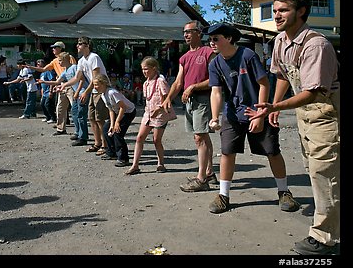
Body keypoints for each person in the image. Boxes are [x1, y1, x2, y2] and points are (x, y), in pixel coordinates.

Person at [246, 0, 340, 255]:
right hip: (304, 114)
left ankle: (325, 238)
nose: (276, 15)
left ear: (301, 12)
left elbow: (312, 92)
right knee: (315, 170)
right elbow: (283, 75)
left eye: (283, 10)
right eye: (275, 10)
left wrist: (275, 106)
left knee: (325, 175)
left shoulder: (316, 45)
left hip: (325, 114)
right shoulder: (280, 41)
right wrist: (274, 107)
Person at [202, 22, 300, 218]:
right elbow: (216, 92)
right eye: (210, 39)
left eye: (215, 39)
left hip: (256, 110)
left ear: (228, 38)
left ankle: (284, 192)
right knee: (227, 153)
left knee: (272, 151)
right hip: (232, 114)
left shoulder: (247, 55)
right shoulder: (214, 63)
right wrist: (214, 117)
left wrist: (261, 114)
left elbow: (264, 84)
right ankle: (223, 195)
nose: (211, 43)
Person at [162, 20, 218, 192]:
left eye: (189, 31)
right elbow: (179, 82)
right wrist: (168, 98)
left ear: (198, 33)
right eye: (184, 32)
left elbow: (215, 80)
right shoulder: (184, 57)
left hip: (203, 99)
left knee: (200, 137)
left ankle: (201, 179)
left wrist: (193, 86)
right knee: (202, 137)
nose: (185, 35)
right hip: (189, 102)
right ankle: (209, 172)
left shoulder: (209, 52)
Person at [125, 56, 174, 175]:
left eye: (146, 69)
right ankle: (135, 165)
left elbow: (166, 99)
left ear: (154, 68)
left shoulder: (160, 81)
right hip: (148, 113)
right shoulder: (146, 83)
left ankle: (161, 163)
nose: (144, 72)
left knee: (156, 140)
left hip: (159, 115)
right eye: (142, 69)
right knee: (139, 138)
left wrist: (158, 109)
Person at [62, 37, 110, 155]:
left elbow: (96, 78)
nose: (77, 46)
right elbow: (77, 78)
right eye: (77, 44)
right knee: (92, 118)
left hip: (101, 91)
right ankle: (97, 143)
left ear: (87, 45)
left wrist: (85, 92)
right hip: (93, 91)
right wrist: (63, 85)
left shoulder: (94, 57)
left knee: (100, 119)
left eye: (80, 44)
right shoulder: (81, 60)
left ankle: (105, 145)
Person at [28, 41, 77, 136]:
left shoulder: (69, 58)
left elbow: (74, 72)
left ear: (61, 48)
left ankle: (78, 131)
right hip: (61, 84)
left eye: (55, 47)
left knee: (74, 108)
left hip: (70, 84)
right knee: (60, 108)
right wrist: (30, 67)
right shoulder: (55, 61)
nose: (53, 49)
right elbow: (43, 69)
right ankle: (61, 128)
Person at [93, 74, 136, 167]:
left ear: (103, 83)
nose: (95, 87)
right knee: (106, 129)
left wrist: (117, 123)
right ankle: (111, 152)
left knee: (118, 132)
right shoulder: (103, 95)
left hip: (128, 111)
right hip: (117, 111)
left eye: (97, 84)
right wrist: (112, 124)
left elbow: (123, 107)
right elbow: (111, 109)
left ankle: (123, 158)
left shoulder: (112, 92)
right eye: (94, 85)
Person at [49, 52, 89, 146]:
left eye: (60, 61)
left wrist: (77, 92)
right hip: (76, 93)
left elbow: (81, 80)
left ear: (65, 60)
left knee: (81, 114)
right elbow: (57, 81)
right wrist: (43, 82)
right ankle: (78, 132)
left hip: (81, 93)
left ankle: (83, 137)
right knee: (74, 113)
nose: (58, 63)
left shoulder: (74, 67)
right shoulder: (65, 71)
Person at [37, 59, 57, 123]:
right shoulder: (41, 74)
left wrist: (51, 91)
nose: (37, 66)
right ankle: (47, 116)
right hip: (44, 92)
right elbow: (42, 83)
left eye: (39, 64)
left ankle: (53, 117)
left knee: (47, 104)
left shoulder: (47, 71)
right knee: (42, 104)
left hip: (49, 91)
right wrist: (42, 93)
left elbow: (52, 80)